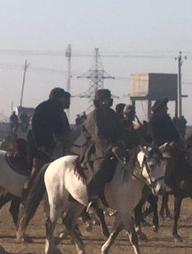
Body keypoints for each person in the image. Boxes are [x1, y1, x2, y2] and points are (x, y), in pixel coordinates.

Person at [17, 87, 72, 236]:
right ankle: (26, 193)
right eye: (66, 99)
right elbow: (35, 127)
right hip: (38, 145)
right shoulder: (44, 108)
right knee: (38, 168)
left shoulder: (59, 112)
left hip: (53, 145)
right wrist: (40, 144)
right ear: (60, 98)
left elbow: (64, 131)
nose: (68, 102)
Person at [80, 89, 127, 207]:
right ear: (98, 101)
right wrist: (111, 147)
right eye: (102, 101)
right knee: (100, 169)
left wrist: (121, 142)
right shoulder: (95, 115)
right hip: (95, 147)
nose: (105, 103)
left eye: (106, 100)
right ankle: (92, 198)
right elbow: (98, 135)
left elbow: (119, 130)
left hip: (113, 146)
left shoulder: (112, 114)